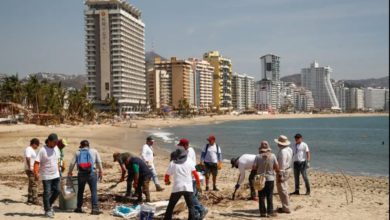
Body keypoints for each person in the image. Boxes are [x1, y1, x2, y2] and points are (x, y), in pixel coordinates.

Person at [164, 148, 201, 220]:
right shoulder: (189, 161)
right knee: (191, 207)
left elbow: (167, 175)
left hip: (177, 188)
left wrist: (167, 181)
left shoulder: (173, 163)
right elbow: (196, 174)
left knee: (171, 206)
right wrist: (198, 185)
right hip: (188, 188)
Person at [68, 140, 103, 215]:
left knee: (80, 191)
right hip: (92, 173)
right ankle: (95, 209)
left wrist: (70, 172)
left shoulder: (78, 152)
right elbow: (99, 162)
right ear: (88, 145)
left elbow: (72, 163)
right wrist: (101, 171)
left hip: (81, 174)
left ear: (81, 146)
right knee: (93, 191)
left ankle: (79, 208)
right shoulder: (94, 151)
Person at [177, 138, 208, 219]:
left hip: (191, 177)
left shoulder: (189, 151)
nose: (180, 147)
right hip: (191, 177)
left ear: (185, 145)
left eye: (181, 146)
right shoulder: (188, 150)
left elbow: (188, 165)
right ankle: (197, 214)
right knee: (191, 196)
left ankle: (201, 209)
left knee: (191, 196)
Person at [33, 133, 62, 218]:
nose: (55, 144)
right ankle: (47, 210)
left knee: (58, 191)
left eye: (56, 142)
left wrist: (60, 170)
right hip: (46, 175)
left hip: (56, 174)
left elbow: (57, 161)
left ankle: (48, 205)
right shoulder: (42, 150)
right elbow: (37, 163)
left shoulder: (56, 148)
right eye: (54, 142)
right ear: (49, 141)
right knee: (47, 192)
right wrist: (36, 173)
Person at [252, 141, 279, 218]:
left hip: (260, 179)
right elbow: (277, 167)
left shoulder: (257, 156)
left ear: (261, 149)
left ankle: (262, 212)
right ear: (268, 148)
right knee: (269, 196)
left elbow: (254, 167)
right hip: (270, 178)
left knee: (261, 196)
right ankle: (270, 212)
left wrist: (259, 169)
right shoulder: (273, 156)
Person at [274, 135, 293, 214]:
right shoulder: (289, 149)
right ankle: (286, 206)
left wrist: (279, 175)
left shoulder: (282, 151)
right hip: (288, 169)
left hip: (283, 171)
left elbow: (281, 165)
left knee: (282, 189)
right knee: (285, 188)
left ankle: (286, 208)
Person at [24, 138, 40, 205]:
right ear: (34, 144)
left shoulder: (31, 149)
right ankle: (35, 199)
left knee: (31, 184)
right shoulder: (29, 149)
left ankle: (30, 199)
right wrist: (30, 167)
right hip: (31, 169)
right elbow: (28, 158)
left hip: (31, 168)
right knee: (34, 184)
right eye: (37, 145)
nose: (37, 147)